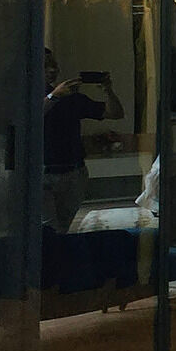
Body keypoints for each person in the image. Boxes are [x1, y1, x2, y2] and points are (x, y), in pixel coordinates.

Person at [42, 48, 122, 232]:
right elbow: (29, 119)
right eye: (45, 65)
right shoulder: (26, 98)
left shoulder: (72, 99)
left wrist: (108, 90)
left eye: (54, 65)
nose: (52, 69)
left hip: (74, 172)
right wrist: (54, 96)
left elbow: (115, 113)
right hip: (43, 173)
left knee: (62, 227)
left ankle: (59, 249)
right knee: (48, 229)